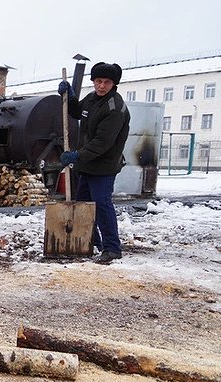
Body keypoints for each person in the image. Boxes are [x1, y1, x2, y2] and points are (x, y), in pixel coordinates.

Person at [58, 62, 131, 264]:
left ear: (114, 84)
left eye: (107, 82)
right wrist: (69, 96)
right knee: (83, 206)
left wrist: (77, 156)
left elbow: (103, 143)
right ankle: (91, 242)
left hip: (104, 166)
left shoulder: (114, 108)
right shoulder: (91, 98)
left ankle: (112, 248)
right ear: (93, 81)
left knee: (101, 205)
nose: (101, 86)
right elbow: (75, 111)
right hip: (88, 165)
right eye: (98, 81)